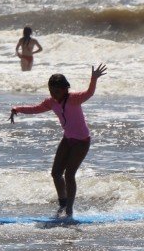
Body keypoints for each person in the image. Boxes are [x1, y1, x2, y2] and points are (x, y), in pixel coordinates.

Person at [9, 64, 107, 217]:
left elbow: (89, 93)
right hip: (67, 139)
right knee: (55, 173)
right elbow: (35, 109)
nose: (53, 94)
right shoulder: (51, 102)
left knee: (69, 175)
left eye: (56, 91)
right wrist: (18, 108)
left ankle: (69, 210)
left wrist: (93, 79)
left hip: (82, 141)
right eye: (51, 90)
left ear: (65, 89)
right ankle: (62, 203)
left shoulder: (74, 99)